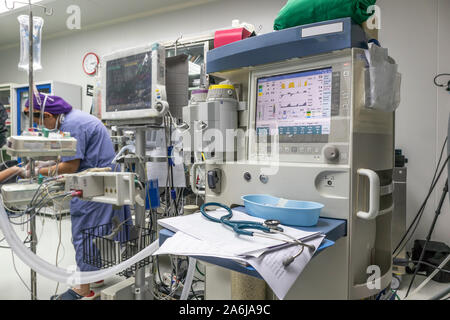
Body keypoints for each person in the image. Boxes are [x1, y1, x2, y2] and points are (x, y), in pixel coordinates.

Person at [24, 92, 131, 300]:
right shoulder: (75, 118)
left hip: (94, 184)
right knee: (93, 232)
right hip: (99, 180)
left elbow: (71, 166)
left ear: (48, 115)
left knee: (83, 234)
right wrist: (47, 164)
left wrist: (37, 171)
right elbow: (67, 155)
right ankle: (94, 276)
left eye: (41, 123)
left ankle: (84, 289)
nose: (44, 128)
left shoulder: (72, 125)